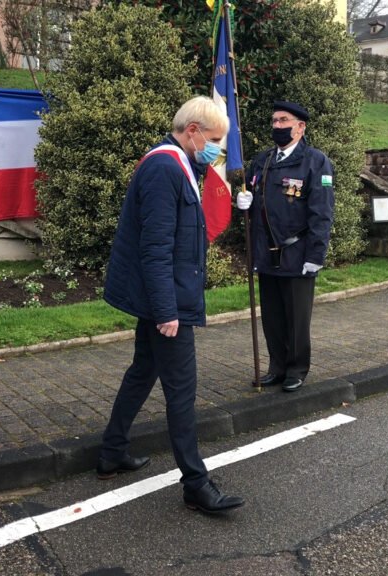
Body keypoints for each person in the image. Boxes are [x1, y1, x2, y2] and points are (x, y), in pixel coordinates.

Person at [98, 96, 245, 515]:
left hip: (160, 296)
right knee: (182, 391)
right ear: (193, 131)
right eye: (214, 139)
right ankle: (196, 484)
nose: (217, 149)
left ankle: (111, 452)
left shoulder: (175, 162)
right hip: (166, 301)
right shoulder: (165, 168)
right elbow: (156, 249)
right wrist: (167, 312)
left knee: (143, 371)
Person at [236, 101, 335, 393]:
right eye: (274, 121)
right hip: (267, 252)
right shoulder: (263, 161)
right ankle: (276, 367)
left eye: (284, 121)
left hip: (298, 252)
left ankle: (296, 368)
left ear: (300, 127)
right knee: (273, 317)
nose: (277, 126)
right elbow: (257, 198)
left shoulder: (315, 162)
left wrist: (316, 254)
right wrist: (243, 202)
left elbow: (322, 212)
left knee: (296, 318)